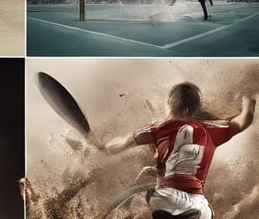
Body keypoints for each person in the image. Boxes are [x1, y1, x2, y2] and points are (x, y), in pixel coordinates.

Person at [104, 82, 255, 219]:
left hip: (165, 198)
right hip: (198, 204)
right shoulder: (209, 129)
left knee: (138, 199)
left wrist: (102, 146)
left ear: (169, 102)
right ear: (193, 110)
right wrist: (248, 97)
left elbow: (117, 146)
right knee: (207, 211)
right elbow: (245, 119)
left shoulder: (155, 128)